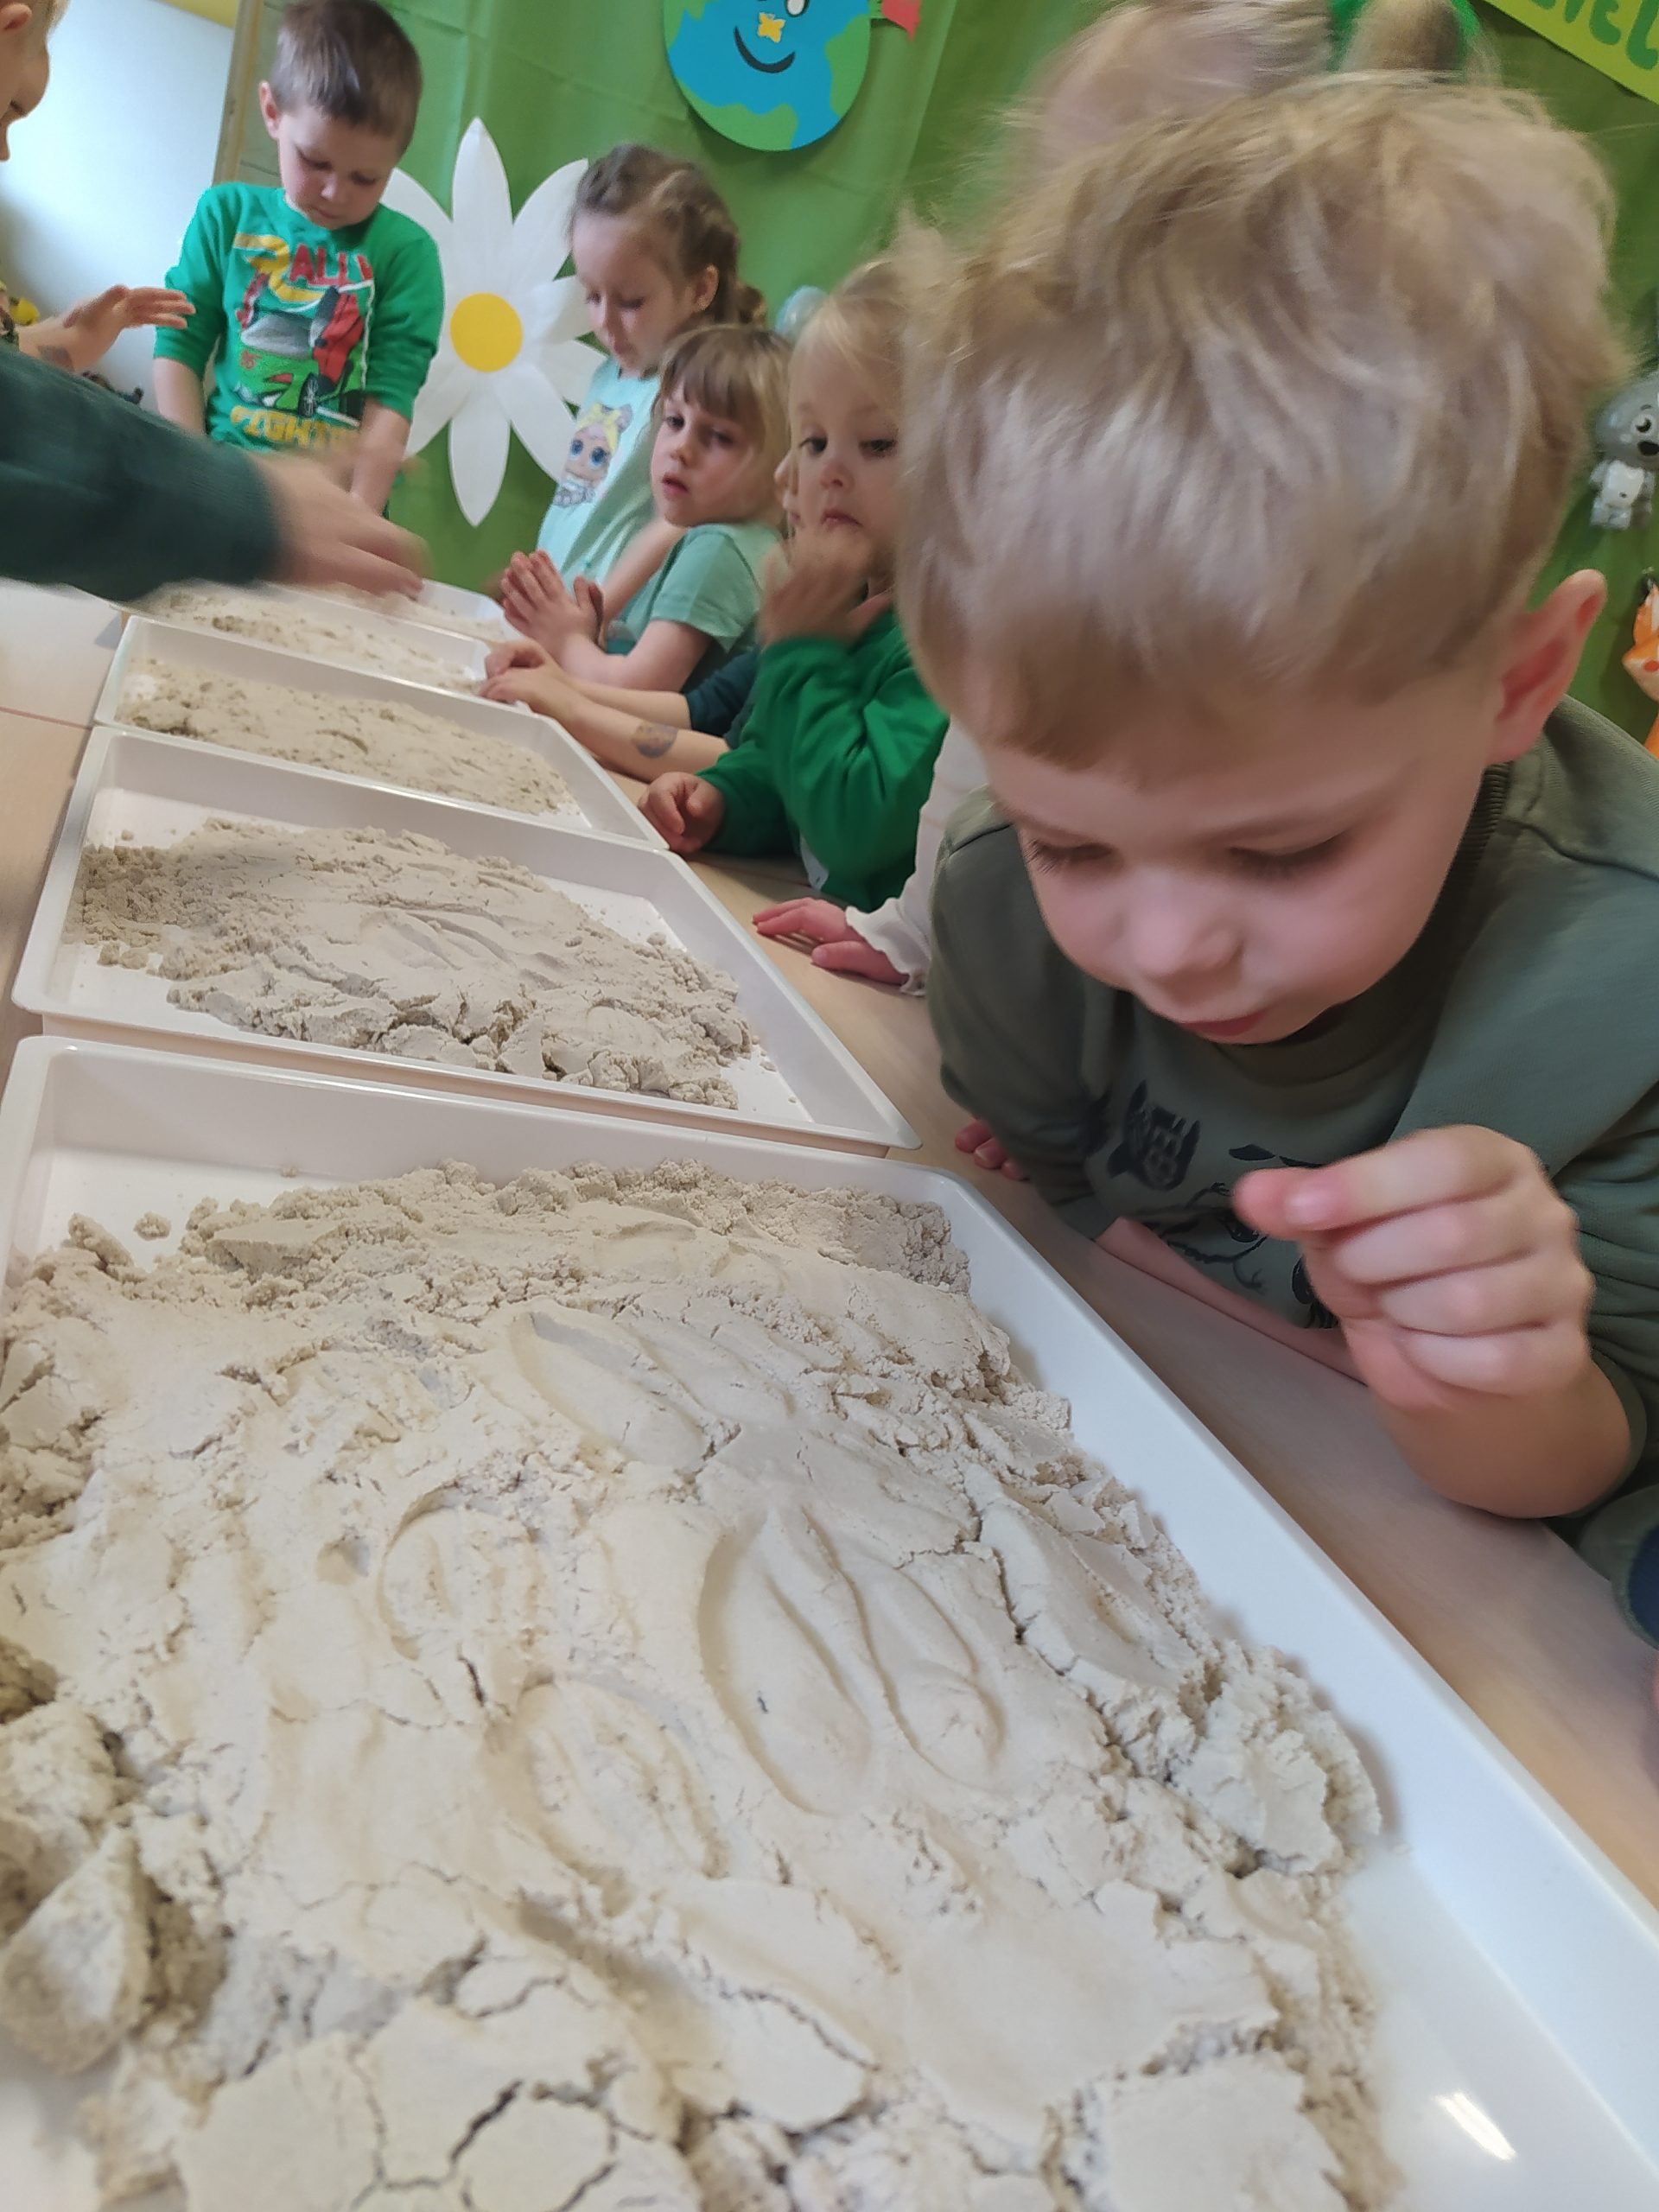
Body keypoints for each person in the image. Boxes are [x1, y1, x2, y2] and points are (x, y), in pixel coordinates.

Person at [904, 70, 1659, 1660]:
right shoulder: (999, 918)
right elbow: (1047, 1188)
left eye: (1281, 851)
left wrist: (1499, 1383)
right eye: (1073, 841)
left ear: (1520, 681)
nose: (1169, 945)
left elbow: (1598, 1463)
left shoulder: (1623, 989)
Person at [641, 264, 949, 912]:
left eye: (877, 443)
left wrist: (803, 652)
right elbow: (787, 764)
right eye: (814, 440)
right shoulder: (849, 608)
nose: (830, 470)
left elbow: (857, 824)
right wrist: (726, 798)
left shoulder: (943, 645)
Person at [154, 0, 441, 513]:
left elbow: (391, 397)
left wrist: (356, 517)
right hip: (226, 484)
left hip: (335, 504)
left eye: (365, 178)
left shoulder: (406, 253)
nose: (335, 192)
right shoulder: (225, 215)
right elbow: (179, 346)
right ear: (272, 112)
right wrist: (192, 480)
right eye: (315, 160)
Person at [499, 143, 764, 637]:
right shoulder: (608, 375)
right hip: (562, 625)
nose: (605, 321)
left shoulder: (691, 400)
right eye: (592, 295)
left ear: (700, 289)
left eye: (631, 301)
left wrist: (593, 616)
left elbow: (674, 524)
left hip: (612, 638)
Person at [482, 447, 803, 772]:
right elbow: (702, 709)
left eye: (720, 438)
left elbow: (738, 757)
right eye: (674, 423)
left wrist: (570, 687)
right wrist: (562, 685)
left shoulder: (722, 546)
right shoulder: (713, 539)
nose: (681, 448)